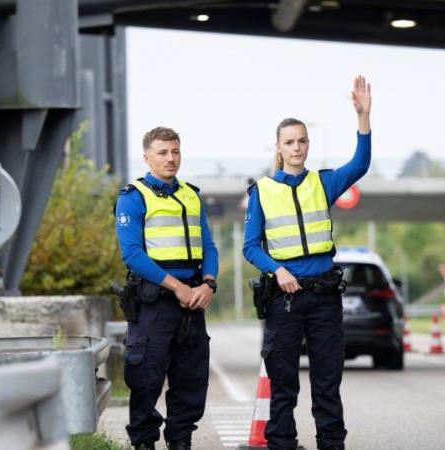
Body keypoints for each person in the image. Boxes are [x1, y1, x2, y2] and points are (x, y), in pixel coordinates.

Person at [243, 75, 372, 450]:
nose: (296, 147)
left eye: (302, 141)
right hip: (283, 300)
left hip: (324, 298)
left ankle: (332, 444)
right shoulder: (262, 192)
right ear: (279, 148)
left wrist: (363, 118)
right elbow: (250, 247)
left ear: (307, 144)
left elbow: (360, 163)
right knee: (283, 384)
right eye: (289, 142)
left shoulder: (324, 182)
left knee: (327, 382)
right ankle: (282, 443)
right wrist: (278, 269)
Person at [115, 126, 218, 450]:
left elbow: (210, 247)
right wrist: (178, 288)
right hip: (154, 304)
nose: (171, 158)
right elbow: (132, 255)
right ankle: (144, 442)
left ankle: (180, 441)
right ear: (147, 157)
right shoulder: (133, 197)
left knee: (191, 380)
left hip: (192, 302)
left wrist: (208, 285)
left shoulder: (191, 194)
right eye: (163, 152)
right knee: (145, 380)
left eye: (175, 151)